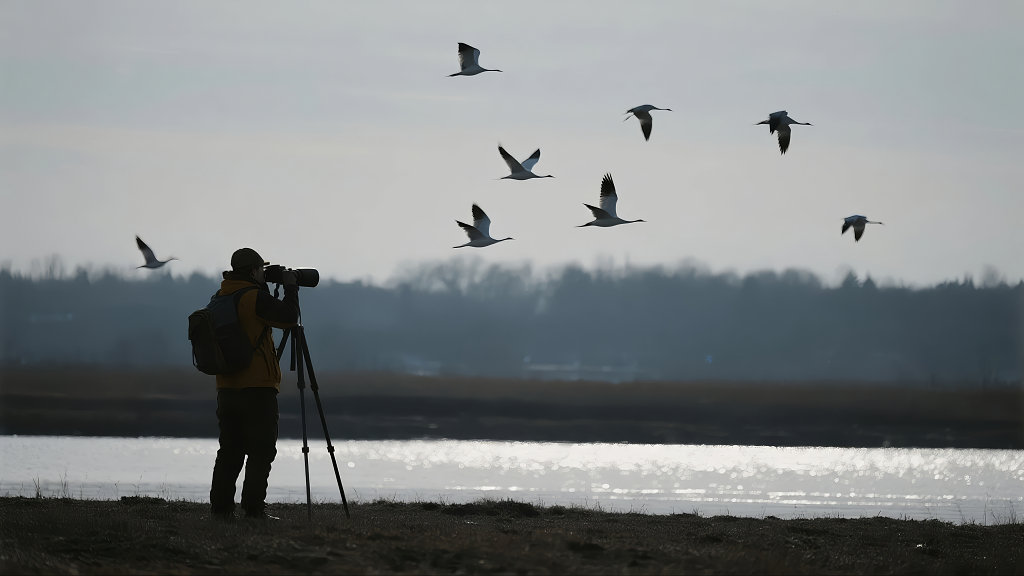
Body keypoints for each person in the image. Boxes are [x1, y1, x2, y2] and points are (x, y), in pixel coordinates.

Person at [209, 248, 298, 520]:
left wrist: (264, 287)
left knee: (230, 450)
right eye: (261, 269)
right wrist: (290, 288)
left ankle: (221, 510)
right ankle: (253, 509)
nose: (264, 273)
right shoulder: (254, 297)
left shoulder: (220, 296)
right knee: (261, 450)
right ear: (252, 271)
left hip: (227, 387)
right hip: (257, 387)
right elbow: (288, 318)